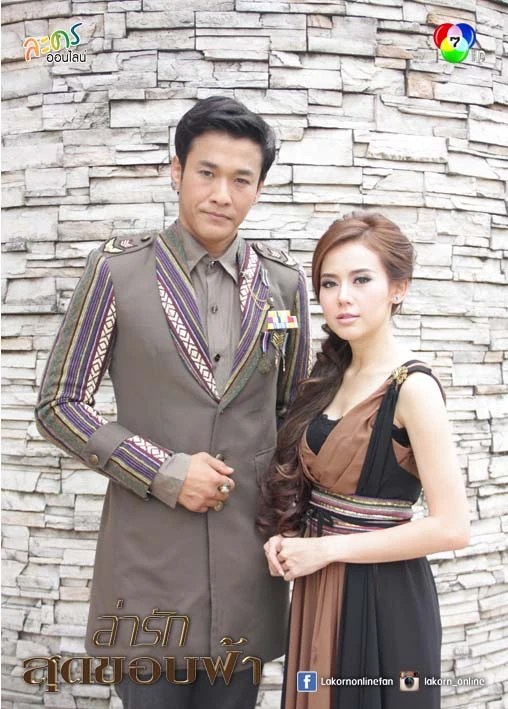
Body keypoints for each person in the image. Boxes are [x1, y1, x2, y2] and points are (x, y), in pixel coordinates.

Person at [35, 95, 311, 709]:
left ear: (259, 188)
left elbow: (292, 415)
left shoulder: (284, 284)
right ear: (176, 171)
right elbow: (60, 402)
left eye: (241, 179)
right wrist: (161, 469)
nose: (221, 194)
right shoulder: (117, 273)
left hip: (246, 569)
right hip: (148, 566)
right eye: (206, 172)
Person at [258, 213, 470, 709]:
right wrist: (290, 539)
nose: (342, 297)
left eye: (360, 280)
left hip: (382, 597)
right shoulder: (327, 377)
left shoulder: (413, 388)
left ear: (399, 288)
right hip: (319, 587)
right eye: (329, 283)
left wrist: (327, 550)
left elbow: (452, 528)